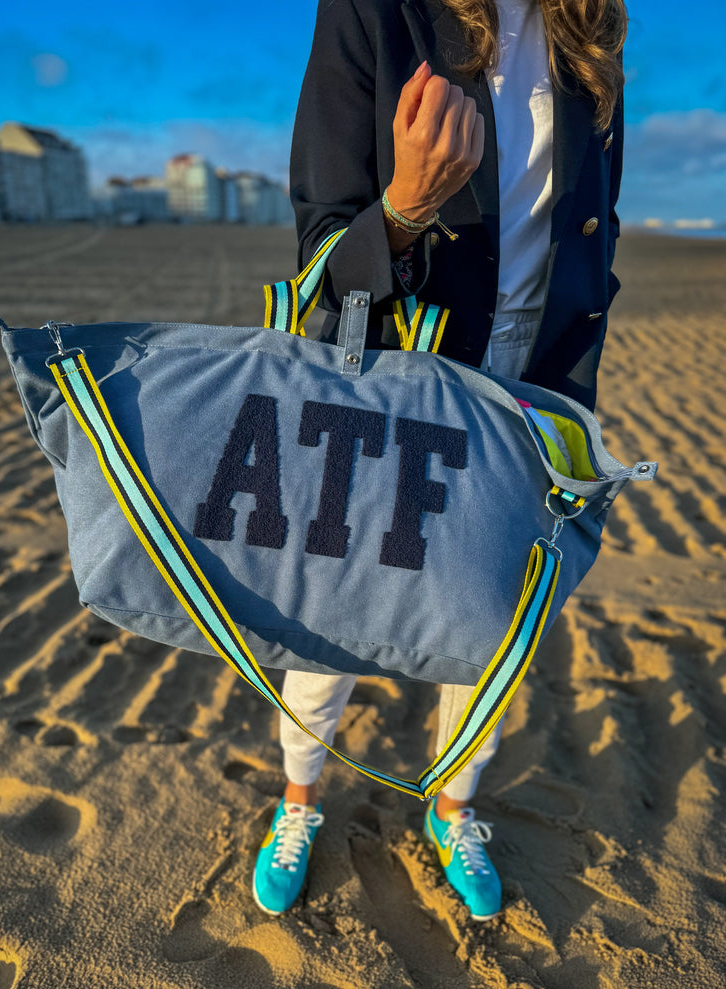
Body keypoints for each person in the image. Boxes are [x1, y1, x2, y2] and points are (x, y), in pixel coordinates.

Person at [252, 0, 627, 920]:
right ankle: (300, 796)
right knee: (334, 612)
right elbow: (323, 251)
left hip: (536, 389)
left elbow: (593, 225)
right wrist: (407, 207)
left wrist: (574, 383)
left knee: (494, 618)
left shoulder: (595, 25)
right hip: (395, 385)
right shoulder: (376, 12)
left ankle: (453, 804)